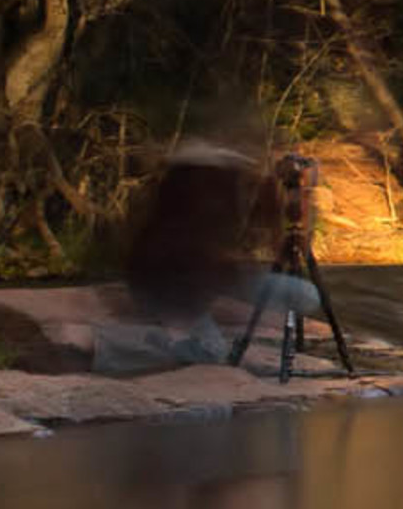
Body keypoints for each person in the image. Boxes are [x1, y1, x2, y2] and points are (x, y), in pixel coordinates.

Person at [98, 120, 327, 375]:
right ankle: (116, 347)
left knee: (305, 295)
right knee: (212, 350)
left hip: (204, 282)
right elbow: (197, 260)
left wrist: (288, 202)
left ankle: (155, 342)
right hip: (177, 288)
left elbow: (275, 249)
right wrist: (234, 269)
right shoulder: (200, 190)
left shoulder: (219, 187)